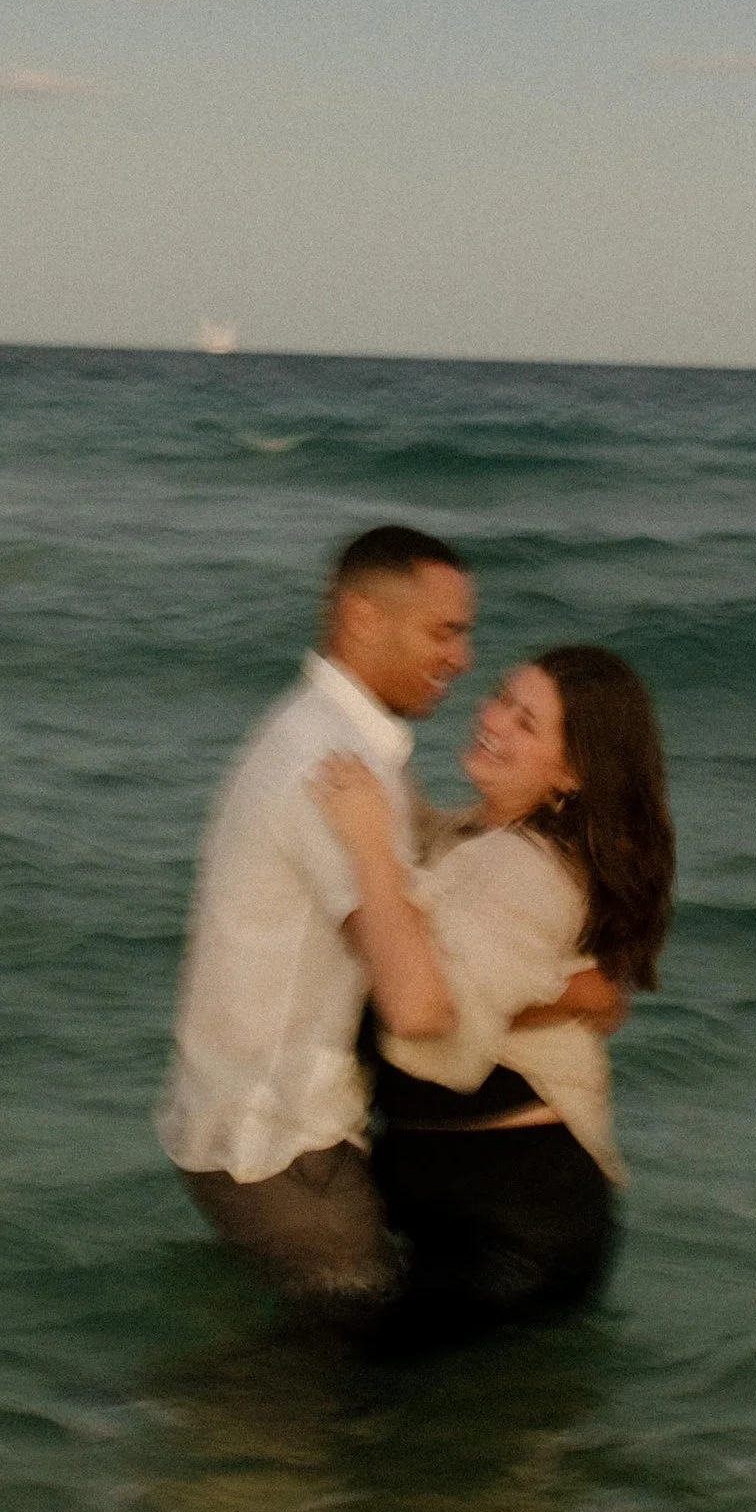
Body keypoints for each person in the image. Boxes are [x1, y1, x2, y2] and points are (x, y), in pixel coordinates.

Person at [156, 525, 476, 1319]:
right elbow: (412, 1002)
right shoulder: (334, 767)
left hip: (237, 1128)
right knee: (334, 1389)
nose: (462, 658)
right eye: (445, 632)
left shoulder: (331, 736)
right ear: (363, 618)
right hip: (283, 1150)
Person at [314, 645, 673, 1342]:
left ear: (570, 773)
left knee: (283, 1391)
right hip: (472, 1211)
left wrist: (366, 847)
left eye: (527, 722)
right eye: (502, 697)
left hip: (511, 1233)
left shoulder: (525, 871)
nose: (494, 719)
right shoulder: (478, 835)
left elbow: (429, 1029)